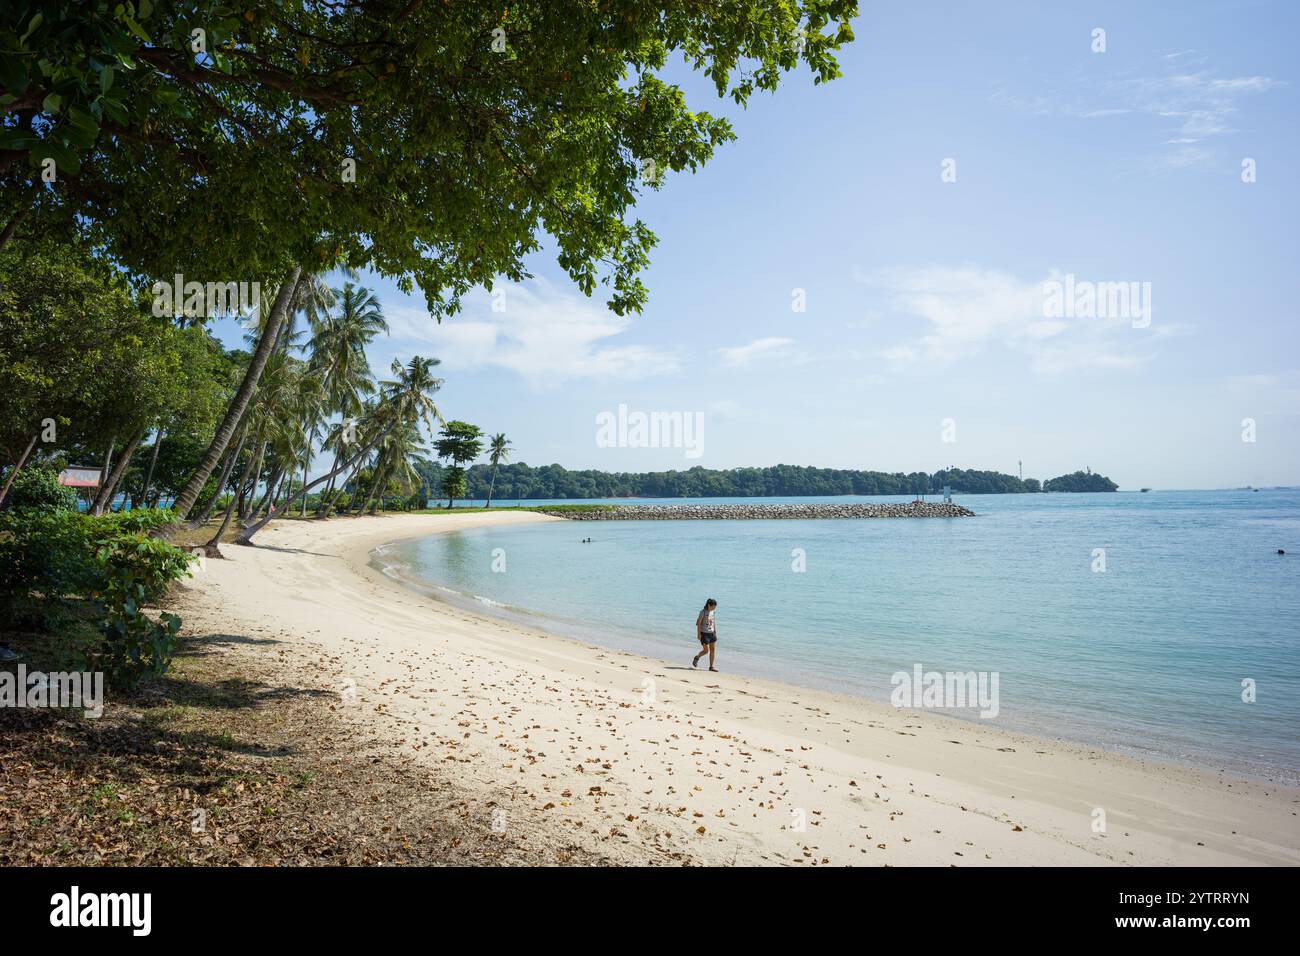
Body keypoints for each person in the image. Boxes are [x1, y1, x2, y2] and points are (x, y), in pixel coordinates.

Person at [692, 598, 719, 672]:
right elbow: (698, 623)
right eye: (713, 606)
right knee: (706, 651)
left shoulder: (713, 612)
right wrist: (699, 634)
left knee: (713, 650)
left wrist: (715, 631)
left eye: (715, 607)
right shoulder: (703, 612)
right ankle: (697, 657)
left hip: (712, 633)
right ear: (709, 605)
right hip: (704, 633)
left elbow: (713, 621)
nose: (714, 608)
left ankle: (711, 667)